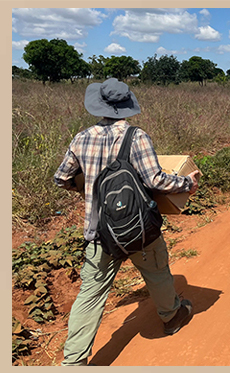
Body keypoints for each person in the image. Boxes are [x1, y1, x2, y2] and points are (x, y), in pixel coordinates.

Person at [54, 78, 200, 366]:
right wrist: (187, 183)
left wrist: (85, 187)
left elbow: (61, 178)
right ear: (126, 106)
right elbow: (155, 179)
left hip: (98, 232)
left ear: (100, 105)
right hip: (136, 229)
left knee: (91, 294)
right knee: (157, 271)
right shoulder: (136, 137)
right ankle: (171, 316)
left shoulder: (81, 138)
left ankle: (73, 361)